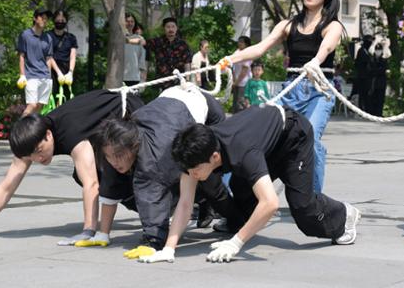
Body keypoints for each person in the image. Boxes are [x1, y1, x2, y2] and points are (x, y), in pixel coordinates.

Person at [137, 105, 361, 264]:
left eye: (195, 170)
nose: (192, 175)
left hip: (292, 139)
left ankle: (344, 216)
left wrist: (235, 243)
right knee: (242, 191)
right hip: (262, 144)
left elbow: (271, 203)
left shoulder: (242, 152)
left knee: (303, 208)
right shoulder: (195, 152)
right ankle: (244, 220)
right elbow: (185, 205)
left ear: (215, 158)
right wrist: (168, 249)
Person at [0, 90, 144, 244]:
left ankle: (158, 210)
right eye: (31, 156)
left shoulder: (70, 133)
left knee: (113, 171)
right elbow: (7, 186)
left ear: (49, 135)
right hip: (98, 126)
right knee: (83, 174)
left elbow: (91, 183)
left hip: (127, 110)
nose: (37, 158)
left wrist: (88, 231)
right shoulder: (30, 141)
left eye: (40, 151)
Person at [218, 0, 345, 193]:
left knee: (310, 138)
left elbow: (327, 46)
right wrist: (230, 59)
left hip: (319, 90)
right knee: (260, 135)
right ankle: (233, 196)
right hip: (291, 90)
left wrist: (314, 62)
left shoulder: (331, 25)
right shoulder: (289, 25)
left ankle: (313, 202)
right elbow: (260, 47)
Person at [92, 85, 244, 258]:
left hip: (206, 112)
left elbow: (151, 193)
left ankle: (237, 220)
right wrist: (102, 234)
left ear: (133, 146)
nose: (114, 161)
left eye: (118, 156)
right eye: (109, 156)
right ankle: (204, 203)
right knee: (186, 181)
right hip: (169, 111)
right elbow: (111, 188)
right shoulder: (116, 145)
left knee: (210, 181)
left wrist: (153, 241)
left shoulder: (154, 155)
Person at [16, 7, 62, 115]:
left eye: (46, 19)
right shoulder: (25, 35)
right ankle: (18, 130)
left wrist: (49, 76)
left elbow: (49, 59)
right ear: (35, 18)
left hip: (45, 77)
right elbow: (22, 56)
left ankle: (31, 131)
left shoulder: (48, 38)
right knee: (32, 105)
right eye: (42, 18)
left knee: (39, 107)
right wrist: (22, 75)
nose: (44, 20)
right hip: (31, 76)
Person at [146, 17, 191, 89]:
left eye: (173, 27)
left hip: (179, 81)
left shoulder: (183, 44)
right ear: (164, 28)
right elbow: (144, 43)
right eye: (168, 27)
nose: (171, 29)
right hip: (162, 81)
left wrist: (187, 79)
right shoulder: (157, 42)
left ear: (176, 28)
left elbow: (187, 62)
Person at [47, 9, 77, 104]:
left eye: (62, 20)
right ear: (54, 21)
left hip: (67, 69)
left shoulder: (71, 37)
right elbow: (49, 56)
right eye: (58, 20)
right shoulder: (48, 36)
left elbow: (73, 56)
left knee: (67, 97)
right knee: (53, 95)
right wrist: (58, 72)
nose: (60, 22)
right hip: (52, 69)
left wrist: (70, 72)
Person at [123, 13, 147, 87]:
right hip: (119, 76)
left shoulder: (140, 38)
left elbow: (142, 59)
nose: (130, 23)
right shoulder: (117, 38)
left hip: (134, 76)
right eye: (127, 21)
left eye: (132, 21)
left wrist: (143, 77)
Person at [231, 36, 252, 113]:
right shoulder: (237, 52)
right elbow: (232, 66)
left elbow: (244, 71)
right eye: (239, 41)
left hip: (243, 82)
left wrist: (236, 83)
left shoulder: (248, 53)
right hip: (236, 81)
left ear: (246, 44)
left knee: (241, 103)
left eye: (241, 42)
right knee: (235, 103)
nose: (239, 43)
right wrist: (234, 81)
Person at [367, 42, 388, 116]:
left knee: (380, 99)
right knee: (373, 98)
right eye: (377, 49)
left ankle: (379, 113)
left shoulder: (383, 61)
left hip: (381, 83)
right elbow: (370, 70)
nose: (378, 51)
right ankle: (372, 113)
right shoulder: (371, 60)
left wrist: (377, 70)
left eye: (379, 50)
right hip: (373, 82)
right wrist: (377, 70)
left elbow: (383, 70)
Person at [354, 35, 373, 112]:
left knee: (367, 94)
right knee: (362, 93)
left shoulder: (367, 51)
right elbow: (358, 63)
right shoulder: (361, 51)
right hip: (362, 76)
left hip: (367, 76)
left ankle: (367, 109)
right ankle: (361, 108)